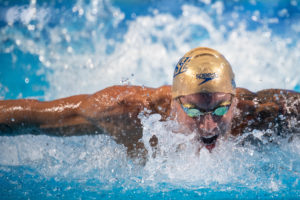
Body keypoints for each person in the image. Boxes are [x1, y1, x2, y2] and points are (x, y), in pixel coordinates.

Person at [0, 47, 299, 158]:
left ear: (235, 102)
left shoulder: (262, 115)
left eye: (221, 109)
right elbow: (34, 117)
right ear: (172, 101)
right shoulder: (123, 112)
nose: (209, 125)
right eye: (193, 110)